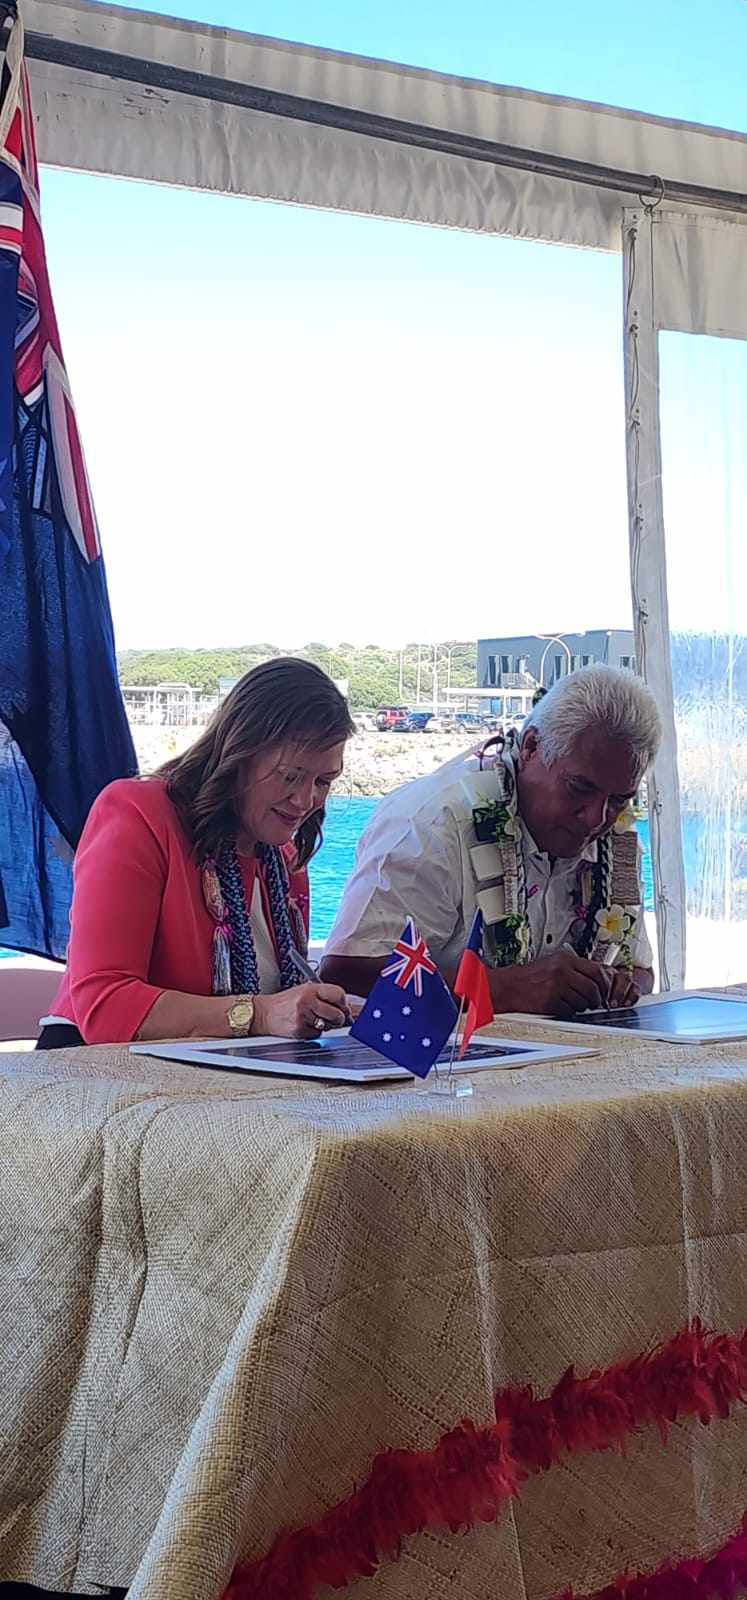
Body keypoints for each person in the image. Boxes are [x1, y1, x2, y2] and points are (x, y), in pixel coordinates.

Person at [38, 658, 355, 1048]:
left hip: (214, 1083)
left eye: (324, 781)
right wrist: (261, 1014)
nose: (306, 800)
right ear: (239, 754)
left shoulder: (285, 856)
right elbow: (104, 1005)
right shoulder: (139, 813)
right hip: (98, 1076)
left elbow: (277, 1000)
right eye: (291, 776)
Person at [321, 665, 660, 1020]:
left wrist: (614, 985)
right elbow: (347, 974)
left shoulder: (615, 842)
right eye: (579, 788)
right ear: (531, 747)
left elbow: (637, 969)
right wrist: (502, 989)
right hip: (440, 1069)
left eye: (620, 799)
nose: (596, 817)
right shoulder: (432, 823)